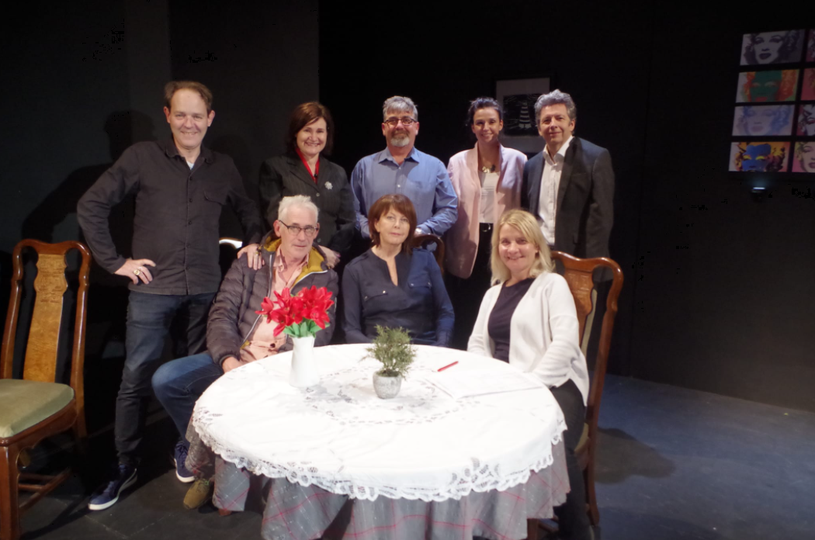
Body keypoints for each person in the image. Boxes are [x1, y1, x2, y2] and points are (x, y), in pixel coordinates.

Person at [77, 81, 263, 510]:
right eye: (181, 114)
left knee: (196, 378)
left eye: (197, 115)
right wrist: (115, 262)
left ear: (210, 119)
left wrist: (253, 240)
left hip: (205, 288)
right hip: (152, 288)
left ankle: (190, 446)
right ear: (167, 116)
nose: (189, 123)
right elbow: (91, 205)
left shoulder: (223, 166)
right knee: (136, 375)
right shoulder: (142, 157)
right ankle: (124, 462)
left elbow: (248, 209)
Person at [152, 195, 338, 509]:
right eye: (294, 227)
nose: (302, 236)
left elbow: (320, 332)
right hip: (237, 357)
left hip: (283, 367)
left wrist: (276, 369)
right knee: (167, 379)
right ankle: (204, 456)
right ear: (278, 228)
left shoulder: (325, 275)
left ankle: (232, 475)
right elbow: (221, 313)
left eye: (309, 229)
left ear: (317, 231)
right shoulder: (250, 263)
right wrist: (229, 361)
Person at [468, 209, 591, 540]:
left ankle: (578, 532)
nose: (512, 249)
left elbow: (565, 344)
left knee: (554, 443)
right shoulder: (493, 292)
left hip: (555, 384)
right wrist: (491, 380)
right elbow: (477, 344)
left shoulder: (552, 285)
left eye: (521, 240)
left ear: (537, 246)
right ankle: (492, 524)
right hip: (503, 388)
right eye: (505, 241)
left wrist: (529, 386)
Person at [445, 97, 526, 349]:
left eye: (491, 122)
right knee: (468, 309)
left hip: (503, 241)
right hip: (467, 242)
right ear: (472, 127)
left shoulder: (518, 160)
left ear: (501, 124)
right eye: (479, 123)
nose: (485, 127)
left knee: (500, 307)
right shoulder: (457, 161)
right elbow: (449, 204)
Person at [342, 194, 453, 346]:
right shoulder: (355, 269)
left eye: (404, 220)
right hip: (378, 350)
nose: (397, 225)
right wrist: (379, 351)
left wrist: (440, 347)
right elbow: (351, 329)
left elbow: (445, 312)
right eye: (390, 218)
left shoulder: (426, 260)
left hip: (425, 348)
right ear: (376, 224)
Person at [521, 89, 614, 265]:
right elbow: (527, 214)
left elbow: (601, 220)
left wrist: (587, 266)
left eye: (559, 118)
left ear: (572, 124)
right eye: (546, 120)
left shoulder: (595, 158)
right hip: (539, 258)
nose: (553, 124)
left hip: (578, 259)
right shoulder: (531, 166)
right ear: (539, 128)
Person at [259, 102, 355, 269]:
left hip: (330, 263)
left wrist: (333, 253)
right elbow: (274, 218)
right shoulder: (275, 168)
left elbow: (348, 222)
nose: (313, 137)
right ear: (295, 132)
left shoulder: (337, 172)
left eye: (320, 131)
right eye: (307, 130)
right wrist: (316, 251)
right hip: (290, 263)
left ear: (327, 134)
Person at [350, 96, 457, 238]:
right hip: (375, 248)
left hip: (420, 249)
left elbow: (449, 209)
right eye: (392, 120)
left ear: (416, 127)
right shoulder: (364, 166)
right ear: (383, 128)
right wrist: (371, 231)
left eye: (406, 120)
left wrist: (421, 231)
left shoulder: (435, 166)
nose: (399, 126)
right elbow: (351, 210)